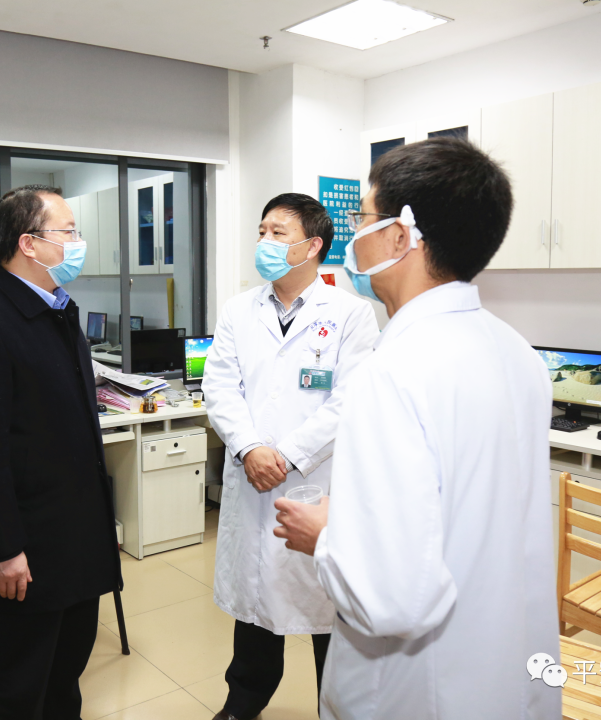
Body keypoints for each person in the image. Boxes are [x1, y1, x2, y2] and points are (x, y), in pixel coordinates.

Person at [275, 138, 561, 719]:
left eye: (363, 219)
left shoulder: (393, 371)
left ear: (400, 236)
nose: (354, 235)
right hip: (503, 672)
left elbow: (393, 598)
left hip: (421, 691)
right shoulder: (518, 353)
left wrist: (326, 535)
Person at [0, 185, 121, 719]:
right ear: (29, 243)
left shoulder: (59, 312)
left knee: (65, 678)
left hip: (77, 542)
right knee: (17, 688)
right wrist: (2, 549)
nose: (78, 242)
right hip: (26, 552)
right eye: (69, 231)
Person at [203, 193, 379, 720]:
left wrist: (283, 455)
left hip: (316, 483)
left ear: (312, 246)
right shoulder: (239, 309)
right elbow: (219, 386)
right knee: (255, 607)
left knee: (328, 610)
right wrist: (250, 448)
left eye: (278, 233)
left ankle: (338, 708)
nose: (264, 241)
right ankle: (243, 700)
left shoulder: (351, 314)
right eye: (262, 231)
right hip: (252, 476)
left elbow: (350, 400)